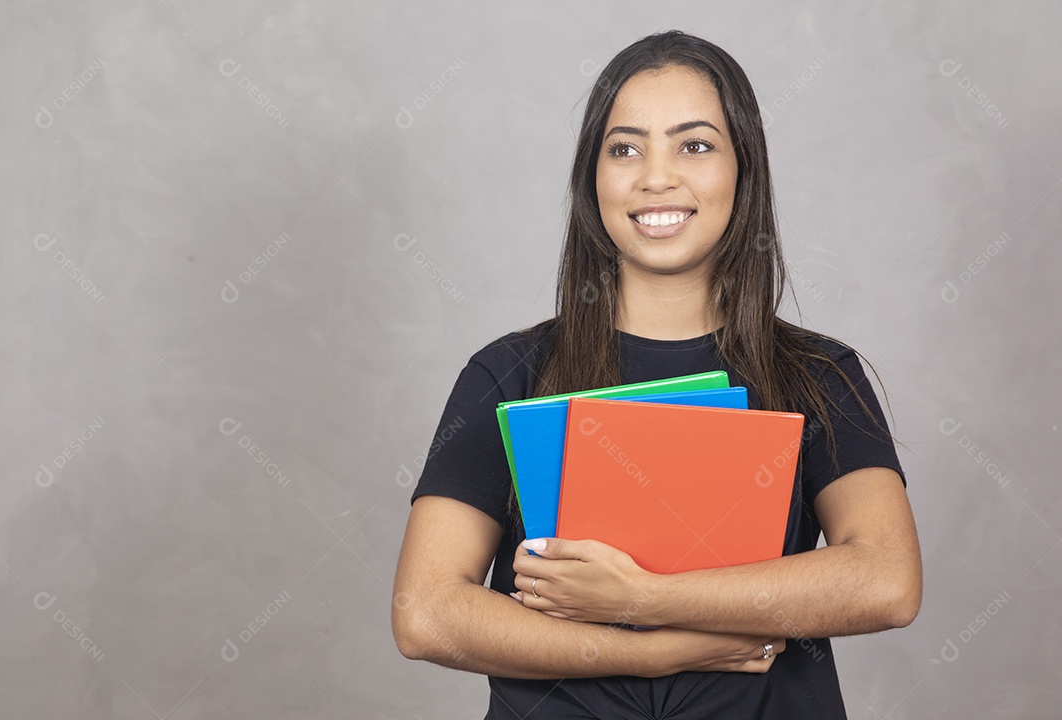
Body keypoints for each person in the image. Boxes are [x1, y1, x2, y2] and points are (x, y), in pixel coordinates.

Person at [391, 29, 922, 719]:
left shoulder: (820, 375)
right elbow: (426, 613)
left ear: (743, 170)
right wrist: (657, 649)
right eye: (625, 148)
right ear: (594, 179)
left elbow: (886, 580)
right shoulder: (510, 373)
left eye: (694, 145)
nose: (656, 175)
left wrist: (643, 598)